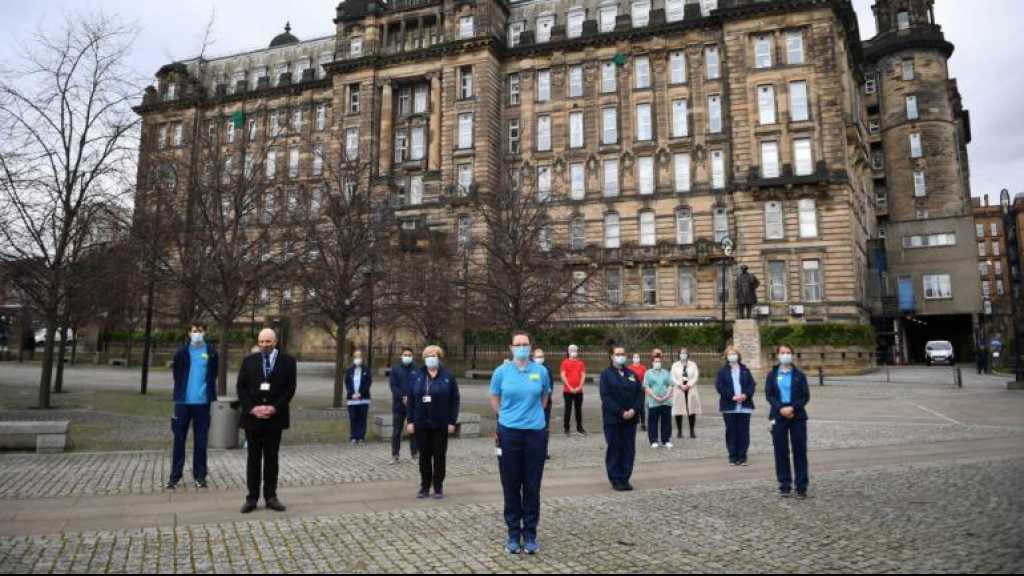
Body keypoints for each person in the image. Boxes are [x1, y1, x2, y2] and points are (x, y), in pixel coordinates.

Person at [490, 332, 551, 555]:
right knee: (511, 484)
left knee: (532, 485)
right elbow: (494, 397)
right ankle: (514, 533)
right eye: (518, 345)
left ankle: (531, 534)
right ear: (511, 348)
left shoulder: (541, 371)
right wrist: (505, 416)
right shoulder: (501, 372)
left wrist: (533, 415)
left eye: (525, 344)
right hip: (509, 433)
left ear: (531, 347)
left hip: (535, 434)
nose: (522, 348)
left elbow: (545, 396)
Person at [236, 328, 297, 513]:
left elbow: (290, 388)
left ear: (275, 341)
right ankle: (252, 498)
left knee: (272, 459)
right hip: (253, 418)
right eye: (261, 342)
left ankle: (271, 496)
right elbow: (241, 388)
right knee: (253, 459)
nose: (264, 345)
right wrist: (252, 408)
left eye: (268, 342)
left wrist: (274, 408)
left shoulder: (288, 361)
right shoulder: (249, 361)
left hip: (274, 418)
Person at [166, 322, 219, 490]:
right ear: (189, 333)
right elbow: (177, 374)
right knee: (179, 440)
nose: (197, 333)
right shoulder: (181, 353)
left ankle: (200, 476)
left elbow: (213, 374)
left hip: (202, 404)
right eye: (194, 331)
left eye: (200, 331)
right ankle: (175, 476)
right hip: (183, 404)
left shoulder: (211, 352)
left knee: (201, 441)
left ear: (205, 332)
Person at [407, 345, 460, 499]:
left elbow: (454, 400)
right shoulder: (417, 375)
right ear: (424, 358)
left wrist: (452, 421)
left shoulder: (448, 376)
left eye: (434, 355)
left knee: (439, 456)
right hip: (421, 423)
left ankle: (438, 487)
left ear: (439, 357)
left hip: (441, 423)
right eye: (428, 355)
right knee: (424, 456)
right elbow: (411, 400)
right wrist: (410, 421)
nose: (431, 357)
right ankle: (424, 486)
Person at [765, 345, 810, 498]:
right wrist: (780, 408)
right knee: (780, 451)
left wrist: (792, 408)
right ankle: (784, 485)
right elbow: (769, 395)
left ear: (792, 355)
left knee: (800, 451)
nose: (785, 355)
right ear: (778, 355)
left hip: (797, 415)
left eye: (788, 353)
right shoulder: (772, 374)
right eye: (782, 353)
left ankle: (801, 486)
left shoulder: (799, 375)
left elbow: (805, 396)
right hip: (778, 415)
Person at [600, 345, 644, 491]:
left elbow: (639, 393)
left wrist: (634, 409)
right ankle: (615, 478)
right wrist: (620, 411)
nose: (620, 356)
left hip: (630, 419)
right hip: (613, 419)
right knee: (615, 448)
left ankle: (625, 477)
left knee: (628, 449)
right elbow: (606, 397)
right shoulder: (606, 375)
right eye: (617, 353)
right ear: (611, 356)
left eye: (623, 353)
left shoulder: (631, 374)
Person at [714, 346, 756, 466]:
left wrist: (745, 395)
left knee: (743, 432)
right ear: (726, 357)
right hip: (729, 405)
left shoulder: (745, 370)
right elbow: (719, 386)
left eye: (734, 354)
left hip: (744, 405)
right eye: (730, 354)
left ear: (738, 356)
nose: (732, 356)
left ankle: (742, 457)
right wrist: (731, 396)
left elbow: (751, 385)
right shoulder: (722, 371)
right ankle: (732, 456)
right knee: (731, 431)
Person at [389, 347, 419, 464]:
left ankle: (414, 454)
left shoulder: (417, 369)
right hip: (398, 406)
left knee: (413, 431)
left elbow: (418, 385)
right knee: (397, 431)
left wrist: (410, 398)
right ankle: (395, 455)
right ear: (401, 356)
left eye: (409, 355)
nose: (407, 356)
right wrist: (402, 397)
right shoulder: (396, 370)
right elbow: (393, 386)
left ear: (412, 356)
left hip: (413, 406)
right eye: (405, 355)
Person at [643, 352, 673, 449]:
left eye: (659, 361)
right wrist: (655, 397)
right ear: (652, 362)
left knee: (666, 421)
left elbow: (670, 385)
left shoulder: (666, 372)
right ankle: (653, 440)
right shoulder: (648, 373)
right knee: (653, 422)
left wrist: (666, 396)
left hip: (666, 401)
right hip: (653, 402)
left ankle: (666, 440)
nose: (658, 363)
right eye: (656, 361)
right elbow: (646, 387)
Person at [671, 348, 701, 439]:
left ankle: (692, 431)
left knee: (691, 410)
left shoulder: (693, 364)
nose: (683, 355)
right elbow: (672, 377)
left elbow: (695, 376)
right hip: (679, 389)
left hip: (690, 389)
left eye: (685, 353)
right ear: (679, 354)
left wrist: (689, 385)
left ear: (688, 354)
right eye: (681, 353)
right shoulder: (675, 365)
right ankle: (679, 431)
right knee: (678, 410)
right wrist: (680, 385)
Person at [345, 350, 372, 445]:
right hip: (352, 399)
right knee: (353, 417)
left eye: (359, 357)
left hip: (363, 398)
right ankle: (353, 437)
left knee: (362, 418)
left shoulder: (366, 370)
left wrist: (361, 393)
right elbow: (347, 383)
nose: (358, 359)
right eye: (356, 357)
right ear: (353, 358)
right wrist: (352, 393)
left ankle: (361, 437)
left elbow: (368, 383)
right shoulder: (349, 370)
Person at [560, 344, 587, 436]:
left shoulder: (581, 363)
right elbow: (563, 375)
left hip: (579, 391)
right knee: (568, 409)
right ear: (568, 351)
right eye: (571, 350)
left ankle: (579, 428)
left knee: (578, 410)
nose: (573, 351)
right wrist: (570, 387)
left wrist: (579, 387)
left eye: (575, 350)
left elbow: (583, 375)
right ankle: (566, 428)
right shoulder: (564, 362)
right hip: (567, 391)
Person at [533, 348, 554, 460]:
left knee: (544, 428)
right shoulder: (530, 369)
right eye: (537, 356)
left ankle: (543, 451)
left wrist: (545, 401)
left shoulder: (547, 369)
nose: (539, 359)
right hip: (532, 404)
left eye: (541, 356)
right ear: (533, 357)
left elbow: (550, 387)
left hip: (545, 404)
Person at [627, 352, 648, 431]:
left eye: (637, 357)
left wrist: (642, 385)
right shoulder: (629, 368)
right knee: (632, 405)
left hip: (641, 389)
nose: (636, 359)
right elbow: (629, 379)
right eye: (635, 357)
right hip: (632, 389)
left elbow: (645, 378)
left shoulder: (643, 368)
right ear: (632, 359)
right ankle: (633, 421)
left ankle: (643, 423)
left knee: (641, 406)